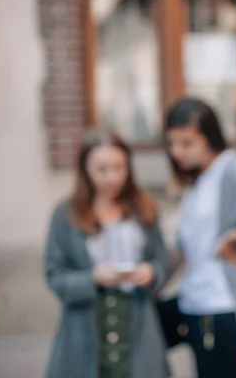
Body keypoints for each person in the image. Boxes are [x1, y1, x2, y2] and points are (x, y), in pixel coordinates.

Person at [163, 97, 236, 378]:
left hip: (220, 307)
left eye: (186, 143)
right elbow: (184, 247)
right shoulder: (197, 180)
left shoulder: (230, 167)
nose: (177, 152)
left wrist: (234, 237)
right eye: (172, 143)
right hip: (192, 304)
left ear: (209, 137)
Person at [44, 128, 169, 378]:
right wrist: (94, 278)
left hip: (138, 327)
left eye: (118, 167)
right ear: (85, 169)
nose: (111, 177)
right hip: (83, 329)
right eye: (102, 169)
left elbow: (163, 262)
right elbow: (55, 276)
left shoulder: (144, 208)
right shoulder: (66, 213)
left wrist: (151, 272)